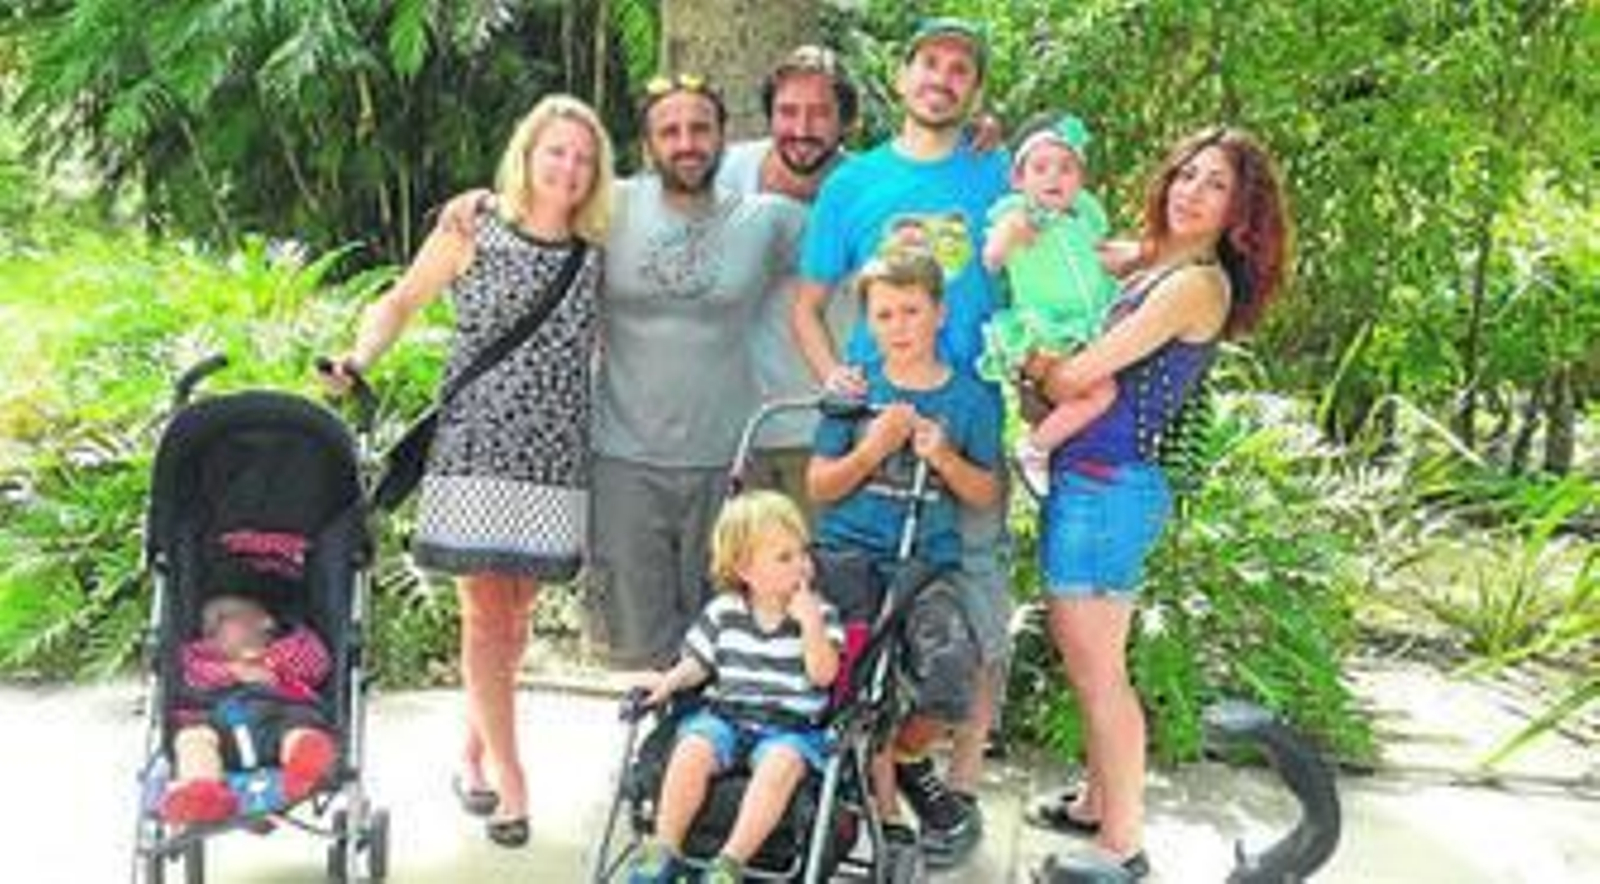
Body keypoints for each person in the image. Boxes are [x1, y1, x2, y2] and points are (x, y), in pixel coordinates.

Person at [322, 94, 615, 847]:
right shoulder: (472, 226)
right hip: (477, 446)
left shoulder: (595, 252)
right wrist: (358, 359)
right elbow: (402, 301)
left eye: (583, 158)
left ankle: (471, 755)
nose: (569, 168)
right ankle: (512, 783)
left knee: (515, 619)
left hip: (553, 453)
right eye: (556, 151)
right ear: (527, 151)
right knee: (485, 616)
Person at [436, 77, 806, 671]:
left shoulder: (768, 221)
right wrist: (477, 201)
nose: (686, 143)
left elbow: (854, 222)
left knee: (730, 629)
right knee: (637, 641)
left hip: (727, 458)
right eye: (670, 130)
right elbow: (532, 207)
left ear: (723, 138)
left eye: (700, 129)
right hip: (623, 458)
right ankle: (654, 753)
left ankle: (708, 755)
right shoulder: (608, 208)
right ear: (648, 142)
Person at [1019, 127, 1293, 879]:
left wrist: (1030, 360)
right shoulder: (1157, 264)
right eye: (1185, 173)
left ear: (1240, 210)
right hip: (1096, 480)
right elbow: (1066, 238)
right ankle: (1098, 804)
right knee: (1096, 660)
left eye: (1214, 184)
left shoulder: (1195, 284)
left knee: (1096, 667)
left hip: (1109, 487)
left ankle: (1124, 847)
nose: (1190, 191)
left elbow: (1079, 377)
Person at [789, 17, 1008, 865]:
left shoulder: (995, 173)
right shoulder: (855, 184)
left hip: (966, 419)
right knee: (858, 626)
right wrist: (832, 379)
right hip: (874, 422)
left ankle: (944, 786)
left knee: (973, 621)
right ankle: (871, 784)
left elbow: (1064, 222)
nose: (943, 80)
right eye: (930, 65)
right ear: (905, 75)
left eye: (961, 70)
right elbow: (808, 304)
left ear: (974, 91)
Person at [806, 249, 1001, 868]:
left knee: (952, 672)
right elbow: (820, 485)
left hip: (923, 563)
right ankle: (880, 814)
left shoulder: (972, 399)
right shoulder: (853, 386)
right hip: (848, 557)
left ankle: (910, 758)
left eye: (911, 310)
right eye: (884, 313)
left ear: (939, 313)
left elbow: (986, 494)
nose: (899, 325)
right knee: (852, 686)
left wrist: (942, 458)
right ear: (868, 321)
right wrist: (872, 451)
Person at [626, 491, 843, 884]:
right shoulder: (724, 611)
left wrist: (810, 624)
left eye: (803, 553)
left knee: (780, 766)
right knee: (692, 748)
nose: (803, 566)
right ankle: (665, 848)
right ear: (745, 569)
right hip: (727, 715)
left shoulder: (821, 614)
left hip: (790, 727)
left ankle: (728, 863)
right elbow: (697, 663)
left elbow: (825, 675)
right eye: (785, 557)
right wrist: (669, 681)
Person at [716, 45, 860, 513]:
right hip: (730, 437)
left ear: (845, 121)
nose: (801, 129)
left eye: (819, 113)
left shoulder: (870, 189)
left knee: (817, 583)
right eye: (787, 112)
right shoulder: (721, 172)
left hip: (827, 433)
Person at [975, 113, 1119, 492]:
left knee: (1100, 393)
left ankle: (1054, 442)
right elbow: (991, 258)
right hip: (1046, 328)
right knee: (1101, 392)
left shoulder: (1083, 219)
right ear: (1019, 180)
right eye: (1040, 169)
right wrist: (1009, 237)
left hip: (1089, 326)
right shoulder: (1019, 216)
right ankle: (1034, 447)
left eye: (1066, 169)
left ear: (1080, 180)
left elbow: (1101, 260)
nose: (1053, 178)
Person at [161, 595, 336, 824]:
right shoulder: (200, 656)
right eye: (206, 627)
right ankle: (203, 791)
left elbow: (318, 664)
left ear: (264, 622)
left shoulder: (292, 647)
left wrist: (271, 661)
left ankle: (304, 768)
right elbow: (189, 673)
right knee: (193, 737)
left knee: (301, 731)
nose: (210, 628)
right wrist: (231, 671)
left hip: (282, 713)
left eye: (222, 618)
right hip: (219, 721)